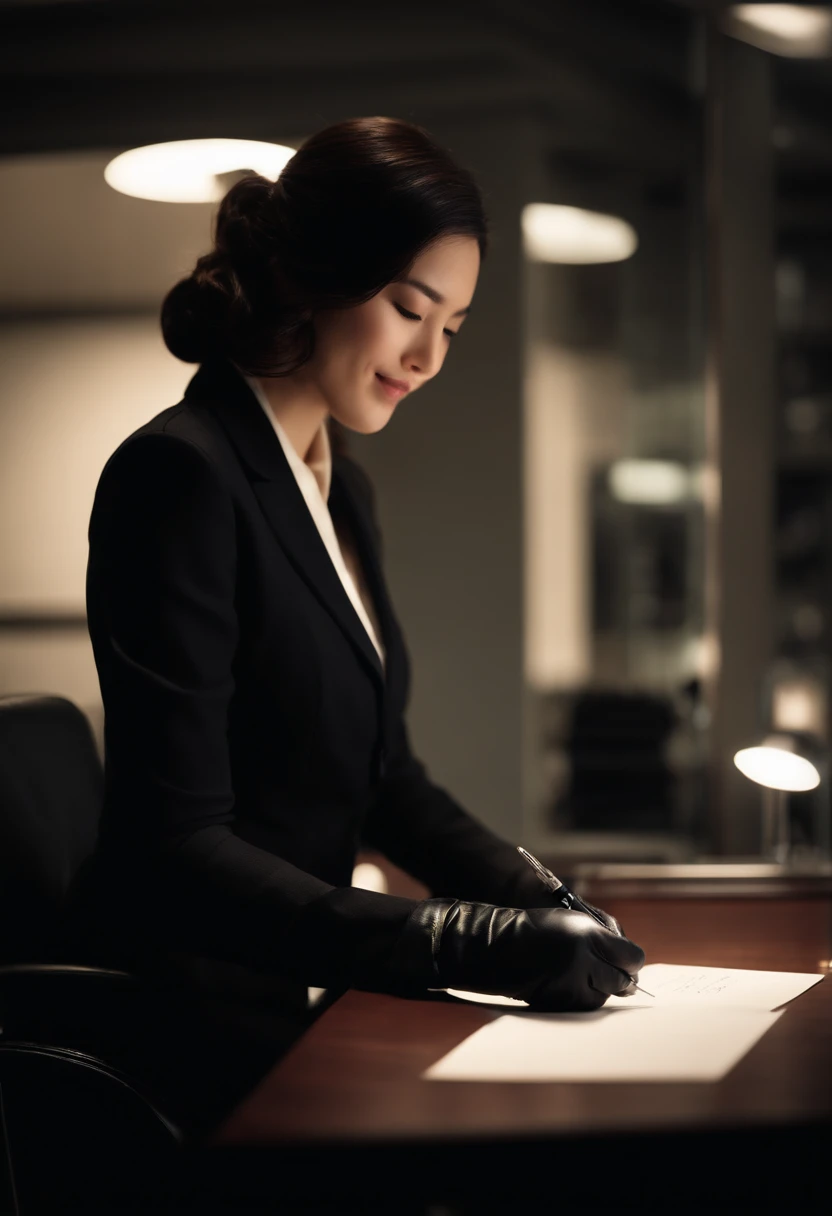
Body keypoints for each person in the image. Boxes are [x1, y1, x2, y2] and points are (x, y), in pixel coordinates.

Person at [64, 115, 645, 1137]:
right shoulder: (181, 473)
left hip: (301, 992)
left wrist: (537, 894)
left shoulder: (338, 487)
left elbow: (384, 776)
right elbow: (178, 844)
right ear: (315, 277)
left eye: (453, 327)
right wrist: (459, 941)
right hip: (197, 1023)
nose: (427, 356)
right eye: (407, 307)